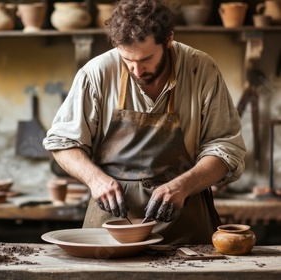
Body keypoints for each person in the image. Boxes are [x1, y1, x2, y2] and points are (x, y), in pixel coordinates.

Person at [42, 0, 246, 245]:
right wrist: (95, 180)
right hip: (112, 227)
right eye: (127, 60)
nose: (137, 71)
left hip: (184, 222)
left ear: (168, 40)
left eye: (146, 59)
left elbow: (226, 148)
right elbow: (62, 143)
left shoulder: (200, 69)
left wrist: (183, 186)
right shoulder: (96, 73)